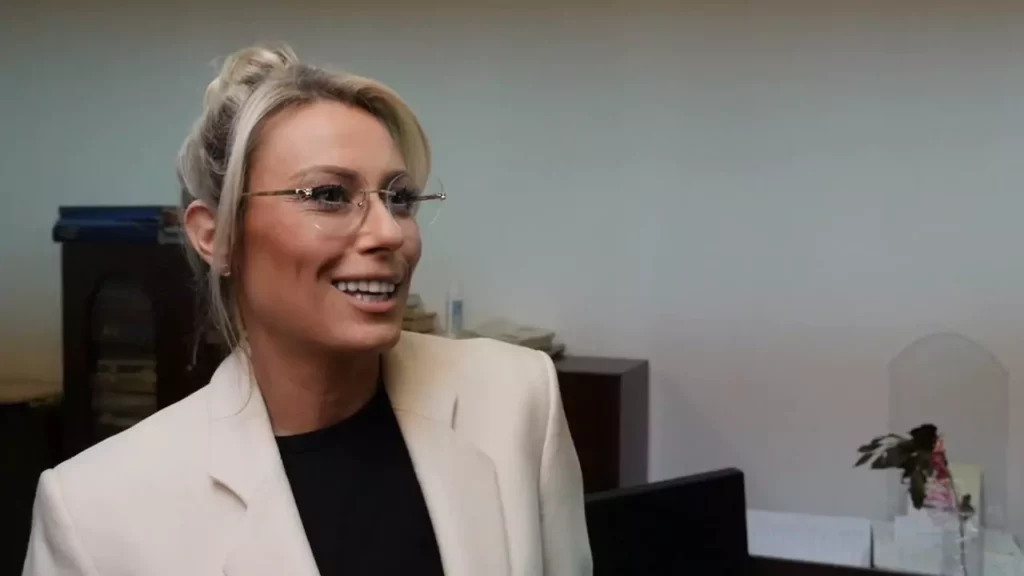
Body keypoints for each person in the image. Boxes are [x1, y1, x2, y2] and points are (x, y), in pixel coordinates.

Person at [23, 44, 592, 576]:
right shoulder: (94, 513)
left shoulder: (517, 399)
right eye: (329, 195)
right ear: (216, 236)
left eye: (399, 199)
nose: (389, 232)